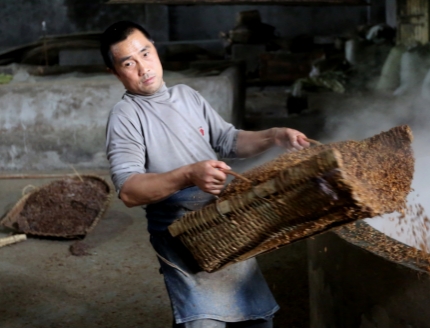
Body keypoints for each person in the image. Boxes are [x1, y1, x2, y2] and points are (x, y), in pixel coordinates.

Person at [101, 21, 310, 328]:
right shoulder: (126, 116)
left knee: (258, 319)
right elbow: (130, 190)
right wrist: (189, 175)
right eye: (128, 63)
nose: (143, 67)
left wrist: (274, 136)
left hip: (226, 219)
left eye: (145, 53)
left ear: (155, 50)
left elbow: (227, 140)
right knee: (204, 322)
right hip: (182, 231)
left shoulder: (187, 96)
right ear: (116, 73)